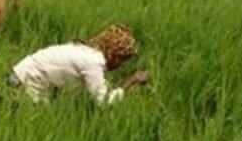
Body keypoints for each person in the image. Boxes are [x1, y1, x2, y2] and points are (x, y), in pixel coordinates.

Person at [8, 24, 150, 105]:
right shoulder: (93, 62)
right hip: (23, 86)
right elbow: (104, 102)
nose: (120, 65)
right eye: (121, 59)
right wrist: (132, 81)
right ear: (112, 53)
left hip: (17, 75)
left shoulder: (85, 50)